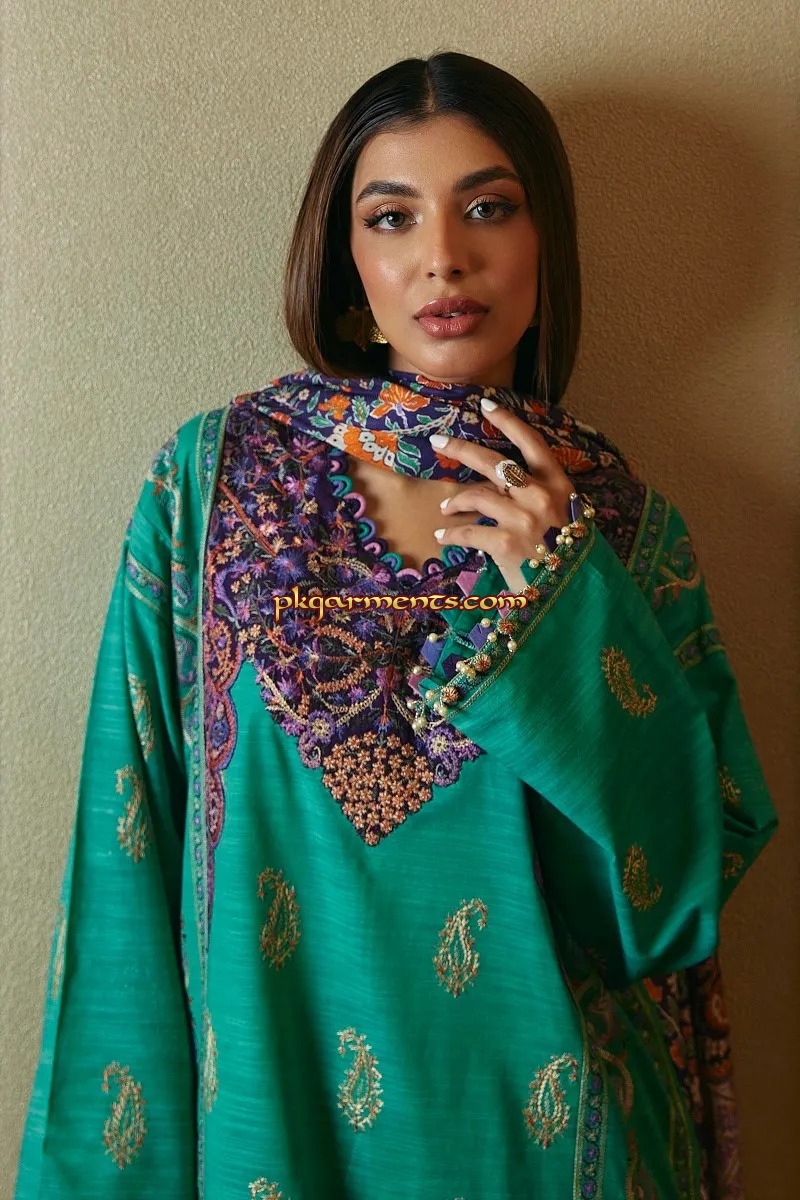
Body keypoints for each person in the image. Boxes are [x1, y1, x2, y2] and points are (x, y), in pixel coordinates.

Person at [15, 51, 777, 1200]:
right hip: (277, 1139)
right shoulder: (212, 486)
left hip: (558, 1151)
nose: (442, 257)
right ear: (346, 263)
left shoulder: (624, 529)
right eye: (391, 216)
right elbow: (126, 855)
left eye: (487, 207)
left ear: (544, 241)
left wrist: (567, 594)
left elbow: (672, 894)